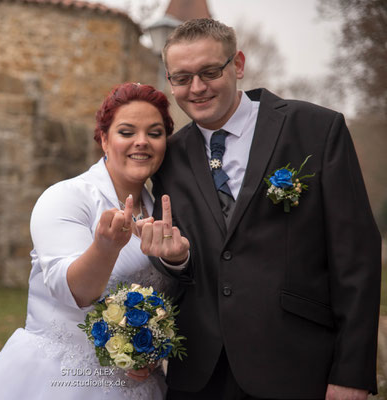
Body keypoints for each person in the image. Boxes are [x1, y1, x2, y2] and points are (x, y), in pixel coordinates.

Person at [139, 18, 381, 400]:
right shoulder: (170, 156)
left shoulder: (317, 129)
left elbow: (357, 259)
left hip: (297, 367)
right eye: (182, 78)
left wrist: (352, 372)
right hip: (201, 376)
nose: (197, 88)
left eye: (209, 72)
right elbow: (189, 264)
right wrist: (174, 262)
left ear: (237, 65)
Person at [0, 83, 178, 400]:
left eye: (155, 133)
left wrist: (146, 351)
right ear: (104, 140)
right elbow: (74, 293)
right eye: (126, 132)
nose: (142, 142)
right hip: (60, 380)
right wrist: (105, 248)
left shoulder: (161, 211)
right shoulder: (66, 198)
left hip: (138, 387)